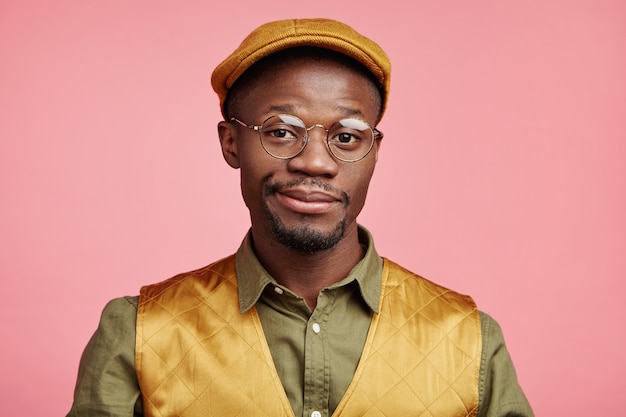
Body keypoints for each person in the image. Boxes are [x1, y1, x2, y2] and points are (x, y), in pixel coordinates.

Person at [66, 18, 533, 417]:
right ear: (231, 143)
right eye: (282, 131)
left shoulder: (468, 338)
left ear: (374, 151)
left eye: (347, 137)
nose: (315, 162)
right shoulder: (138, 331)